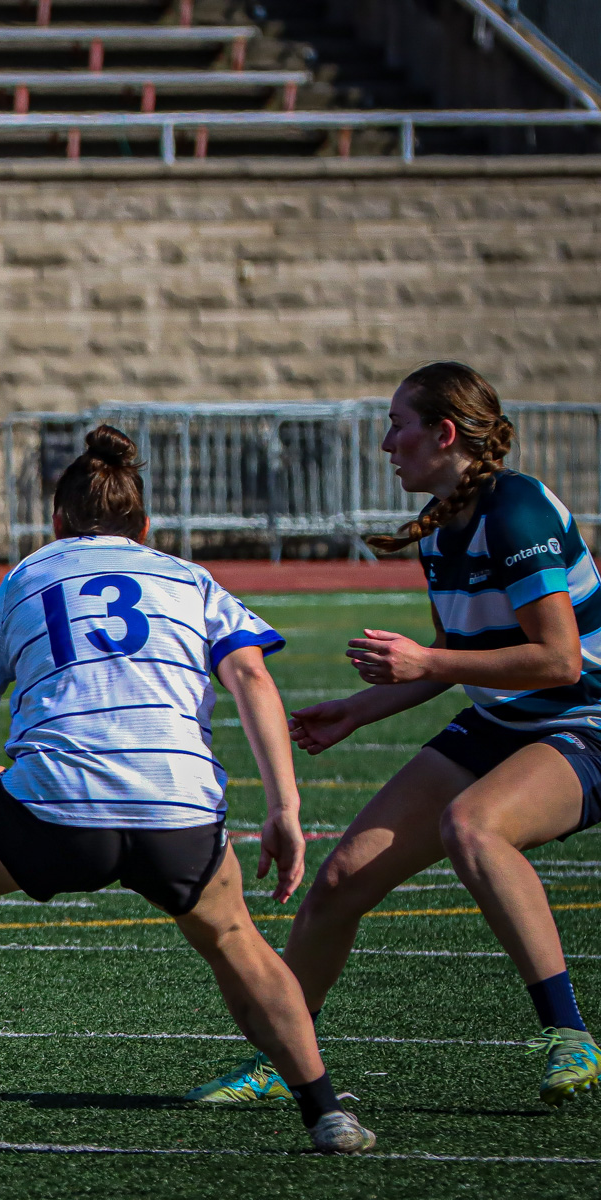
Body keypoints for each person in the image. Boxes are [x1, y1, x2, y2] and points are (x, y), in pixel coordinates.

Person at [0, 426, 376, 1154]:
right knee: (236, 940)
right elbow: (253, 675)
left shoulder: (28, 578)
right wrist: (285, 810)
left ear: (56, 523)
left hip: (53, 804)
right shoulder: (189, 579)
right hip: (179, 808)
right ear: (145, 528)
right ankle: (325, 1111)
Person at [187, 362, 601, 1108]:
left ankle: (569, 1035)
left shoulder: (517, 511)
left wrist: (427, 658)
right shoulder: (444, 527)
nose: (386, 444)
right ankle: (284, 1058)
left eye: (397, 425)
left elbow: (559, 660)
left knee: (472, 828)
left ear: (443, 434)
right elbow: (464, 657)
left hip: (584, 724)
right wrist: (359, 710)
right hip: (502, 721)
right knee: (341, 880)